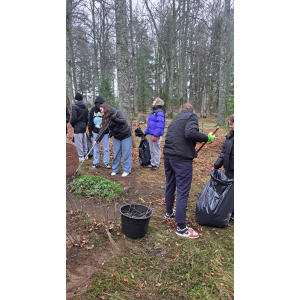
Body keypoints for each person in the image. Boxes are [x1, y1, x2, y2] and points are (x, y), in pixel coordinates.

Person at [163, 103, 215, 238]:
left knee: (170, 184)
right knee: (182, 191)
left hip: (168, 157)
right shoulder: (191, 116)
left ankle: (169, 212)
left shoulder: (175, 119)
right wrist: (207, 138)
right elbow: (190, 133)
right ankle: (181, 228)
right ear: (192, 110)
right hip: (181, 159)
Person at [94, 103, 132, 177]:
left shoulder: (116, 112)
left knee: (126, 153)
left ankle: (126, 170)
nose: (101, 111)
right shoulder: (105, 117)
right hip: (116, 137)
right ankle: (115, 169)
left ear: (105, 109)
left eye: (101, 110)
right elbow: (103, 129)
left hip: (125, 135)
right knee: (116, 153)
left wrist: (115, 119)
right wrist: (97, 139)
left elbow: (123, 121)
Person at [212, 114, 234, 219]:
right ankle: (229, 211)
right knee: (229, 191)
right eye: (229, 124)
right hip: (229, 169)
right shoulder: (229, 137)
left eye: (232, 124)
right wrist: (216, 165)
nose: (230, 126)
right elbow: (223, 153)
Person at [88, 96, 111, 169]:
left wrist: (110, 131)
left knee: (106, 148)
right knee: (95, 148)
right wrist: (90, 132)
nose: (98, 107)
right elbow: (90, 122)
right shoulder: (93, 110)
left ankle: (106, 162)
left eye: (99, 105)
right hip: (96, 132)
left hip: (105, 132)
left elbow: (109, 121)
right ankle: (95, 162)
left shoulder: (106, 110)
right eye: (97, 105)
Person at [144, 97, 165, 170]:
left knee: (156, 149)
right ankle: (152, 163)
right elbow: (150, 125)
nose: (153, 101)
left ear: (157, 103)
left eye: (155, 101)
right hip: (151, 134)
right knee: (152, 149)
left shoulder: (159, 113)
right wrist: (145, 132)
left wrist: (156, 135)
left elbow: (160, 125)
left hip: (156, 135)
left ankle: (156, 164)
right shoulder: (152, 112)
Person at [70, 93, 89, 162]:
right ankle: (85, 155)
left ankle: (81, 157)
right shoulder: (86, 107)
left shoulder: (75, 107)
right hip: (84, 126)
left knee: (78, 142)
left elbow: (74, 118)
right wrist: (85, 125)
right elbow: (87, 118)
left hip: (77, 127)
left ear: (76, 99)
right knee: (84, 141)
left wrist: (72, 124)